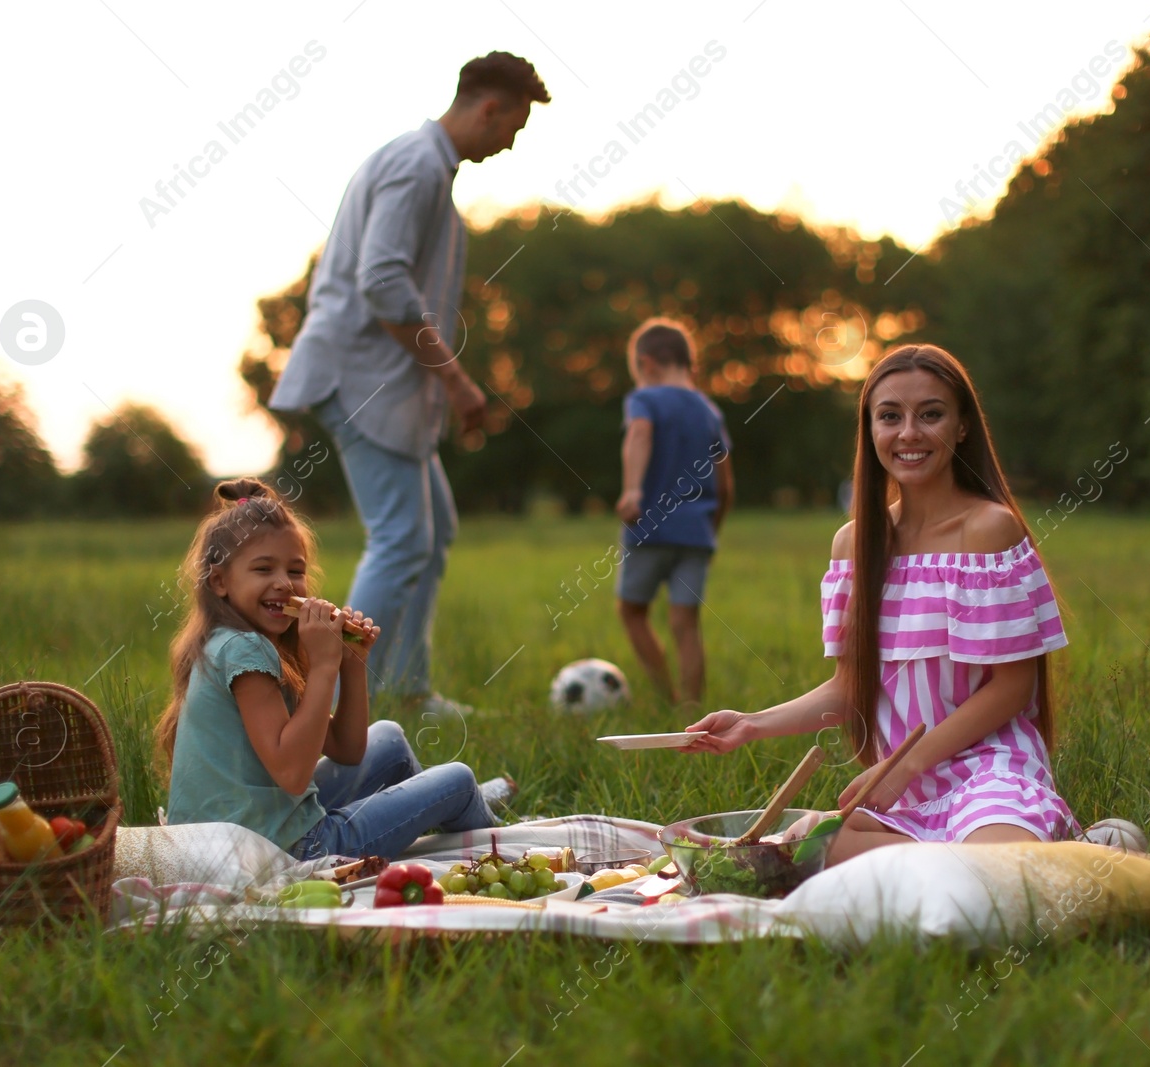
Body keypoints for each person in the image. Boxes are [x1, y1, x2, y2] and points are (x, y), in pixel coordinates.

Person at [686, 344, 1082, 864]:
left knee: (997, 872)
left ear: (962, 426)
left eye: (931, 414)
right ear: (870, 430)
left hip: (989, 770)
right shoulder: (854, 545)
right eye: (890, 416)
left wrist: (907, 763)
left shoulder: (986, 529)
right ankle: (1016, 854)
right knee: (803, 852)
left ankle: (1082, 851)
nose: (909, 433)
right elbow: (852, 687)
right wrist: (753, 724)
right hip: (900, 792)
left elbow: (1013, 688)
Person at [269, 52, 551, 717]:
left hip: (386, 383)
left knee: (433, 527)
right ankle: (332, 701)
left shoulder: (427, 167)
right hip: (363, 378)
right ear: (490, 107)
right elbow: (383, 283)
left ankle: (404, 687)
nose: (511, 142)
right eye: (513, 126)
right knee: (401, 537)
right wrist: (456, 382)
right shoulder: (417, 166)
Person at [156, 478, 512, 862]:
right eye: (263, 569)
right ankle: (491, 832)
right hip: (280, 852)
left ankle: (453, 810)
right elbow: (293, 774)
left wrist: (351, 663)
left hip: (251, 833)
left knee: (389, 739)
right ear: (220, 581)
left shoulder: (235, 641)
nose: (283, 584)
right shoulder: (244, 650)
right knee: (456, 781)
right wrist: (324, 665)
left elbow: (348, 750)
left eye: (295, 571)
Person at [614, 318, 734, 704]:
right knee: (686, 623)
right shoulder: (709, 411)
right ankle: (692, 707)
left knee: (632, 611)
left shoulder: (644, 400)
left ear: (646, 365)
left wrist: (633, 489)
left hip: (650, 528)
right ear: (689, 364)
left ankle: (664, 695)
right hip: (697, 532)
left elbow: (640, 433)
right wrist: (712, 526)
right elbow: (726, 480)